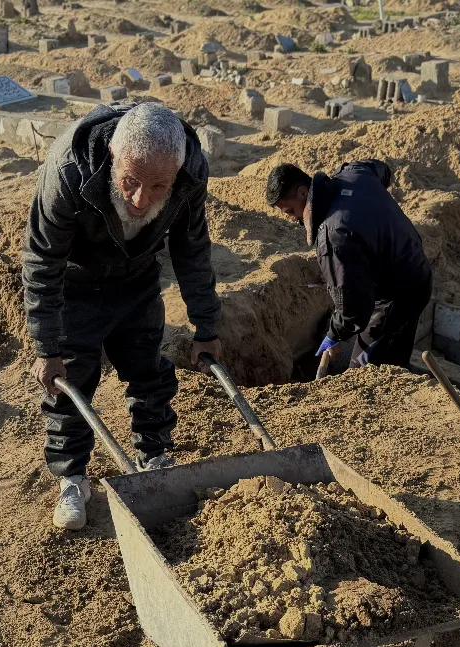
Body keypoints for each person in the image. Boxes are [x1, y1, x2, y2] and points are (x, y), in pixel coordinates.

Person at [23, 102, 221, 531]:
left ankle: (153, 456)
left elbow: (192, 249)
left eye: (157, 187)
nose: (139, 199)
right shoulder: (69, 171)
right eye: (130, 181)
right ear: (113, 154)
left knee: (148, 369)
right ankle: (73, 479)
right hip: (76, 285)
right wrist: (47, 347)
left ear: (177, 174)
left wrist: (206, 326)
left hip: (136, 277)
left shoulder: (191, 172)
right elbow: (42, 261)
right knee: (70, 382)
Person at [265, 160, 432, 371]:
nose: (291, 218)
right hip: (415, 267)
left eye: (289, 211)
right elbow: (381, 169)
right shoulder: (355, 174)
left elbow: (354, 305)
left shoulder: (334, 236)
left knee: (365, 375)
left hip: (398, 296)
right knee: (391, 355)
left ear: (302, 193)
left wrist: (335, 335)